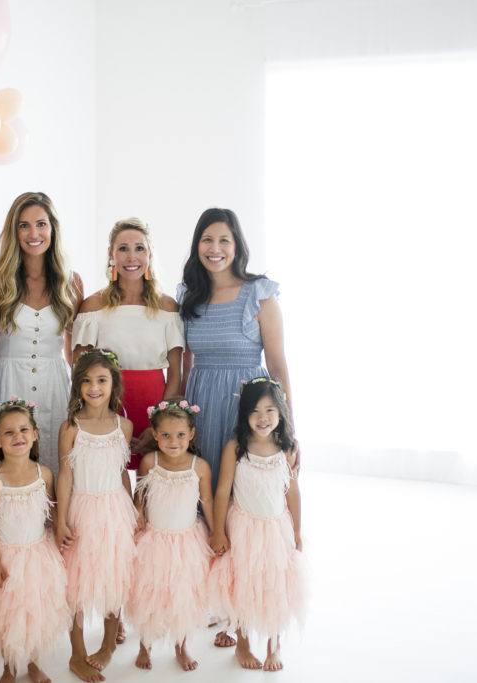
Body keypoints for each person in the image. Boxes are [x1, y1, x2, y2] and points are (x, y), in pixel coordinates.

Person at [178, 208, 297, 494]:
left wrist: (289, 428)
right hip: (202, 402)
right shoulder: (189, 296)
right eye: (207, 240)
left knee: (246, 490)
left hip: (247, 404)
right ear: (197, 245)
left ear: (237, 246)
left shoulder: (259, 294)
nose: (215, 249)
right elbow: (185, 362)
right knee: (205, 492)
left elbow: (278, 367)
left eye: (224, 240)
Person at [209, 378, 307, 672]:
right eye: (255, 411)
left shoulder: (285, 449)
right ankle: (242, 641)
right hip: (243, 527)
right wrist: (218, 530)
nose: (263, 418)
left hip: (275, 527)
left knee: (274, 584)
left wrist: (298, 530)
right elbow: (223, 490)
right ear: (244, 415)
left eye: (270, 410)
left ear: (281, 413)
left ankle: (273, 645)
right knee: (243, 583)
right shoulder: (236, 448)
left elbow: (292, 490)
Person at [0, 397, 70, 683]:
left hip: (38, 555)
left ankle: (35, 664)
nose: (18, 437)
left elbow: (50, 514)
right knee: (8, 617)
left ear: (35, 435)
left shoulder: (44, 474)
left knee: (36, 613)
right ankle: (10, 669)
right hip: (7, 556)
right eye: (9, 432)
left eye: (24, 430)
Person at [73, 218, 184, 469]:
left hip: (155, 405)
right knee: (110, 483)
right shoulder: (93, 307)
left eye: (139, 248)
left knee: (152, 484)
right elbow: (79, 369)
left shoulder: (167, 307)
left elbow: (176, 371)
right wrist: (101, 416)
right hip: (106, 407)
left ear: (150, 255)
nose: (131, 257)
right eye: (123, 248)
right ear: (111, 255)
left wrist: (159, 422)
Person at [0, 192, 83, 477]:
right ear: (13, 231)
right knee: (6, 472)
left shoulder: (71, 281)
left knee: (53, 468)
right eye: (23, 225)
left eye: (41, 224)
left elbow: (73, 351)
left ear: (53, 227)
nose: (33, 233)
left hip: (54, 387)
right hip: (6, 383)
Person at [56, 349, 136, 682]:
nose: (94, 387)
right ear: (77, 386)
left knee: (113, 577)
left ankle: (107, 645)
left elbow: (121, 472)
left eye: (101, 380)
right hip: (81, 508)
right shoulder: (71, 427)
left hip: (115, 509)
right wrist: (61, 519)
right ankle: (76, 653)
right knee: (74, 583)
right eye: (86, 381)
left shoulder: (124, 425)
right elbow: (65, 474)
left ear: (113, 384)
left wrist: (132, 511)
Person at [125, 398, 215, 672]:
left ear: (191, 434)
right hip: (154, 538)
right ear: (154, 435)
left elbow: (208, 501)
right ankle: (145, 643)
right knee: (149, 592)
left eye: (179, 435)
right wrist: (137, 515)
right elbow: (140, 495)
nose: (173, 441)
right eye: (165, 435)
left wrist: (215, 532)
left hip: (187, 540)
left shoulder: (199, 467)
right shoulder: (150, 462)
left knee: (182, 594)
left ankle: (181, 645)